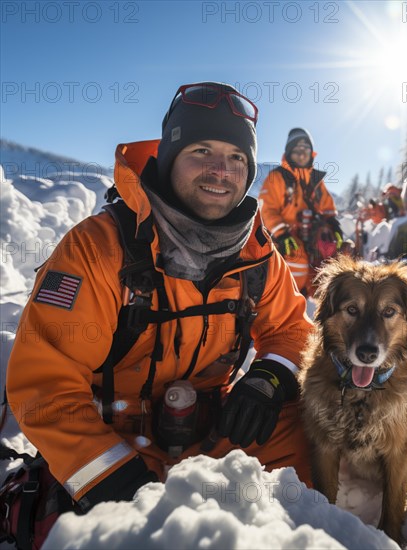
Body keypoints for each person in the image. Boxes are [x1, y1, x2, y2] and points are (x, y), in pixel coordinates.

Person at [6, 82, 313, 514]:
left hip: (213, 432)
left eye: (236, 157)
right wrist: (115, 480)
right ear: (169, 159)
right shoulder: (99, 248)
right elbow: (45, 384)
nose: (221, 170)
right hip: (115, 439)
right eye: (201, 151)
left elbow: (291, 329)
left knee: (304, 427)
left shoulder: (257, 254)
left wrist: (269, 378)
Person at [259, 128, 343, 296]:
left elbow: (327, 207)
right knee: (296, 257)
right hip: (283, 236)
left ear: (311, 153)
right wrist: (282, 233)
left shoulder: (316, 181)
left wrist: (334, 226)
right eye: (296, 150)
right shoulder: (277, 178)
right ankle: (290, 297)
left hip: (311, 234)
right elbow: (267, 209)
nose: (301, 154)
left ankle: (319, 301)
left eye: (305, 149)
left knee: (334, 254)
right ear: (289, 153)